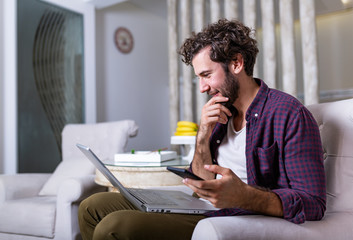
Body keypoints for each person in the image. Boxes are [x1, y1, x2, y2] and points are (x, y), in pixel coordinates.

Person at [78, 19, 326, 240]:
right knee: (91, 207)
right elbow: (200, 179)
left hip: (234, 214)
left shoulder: (289, 114)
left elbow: (313, 203)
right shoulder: (220, 111)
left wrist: (244, 196)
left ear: (237, 63)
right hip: (198, 204)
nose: (202, 88)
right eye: (199, 77)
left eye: (207, 75)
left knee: (114, 227)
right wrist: (203, 135)